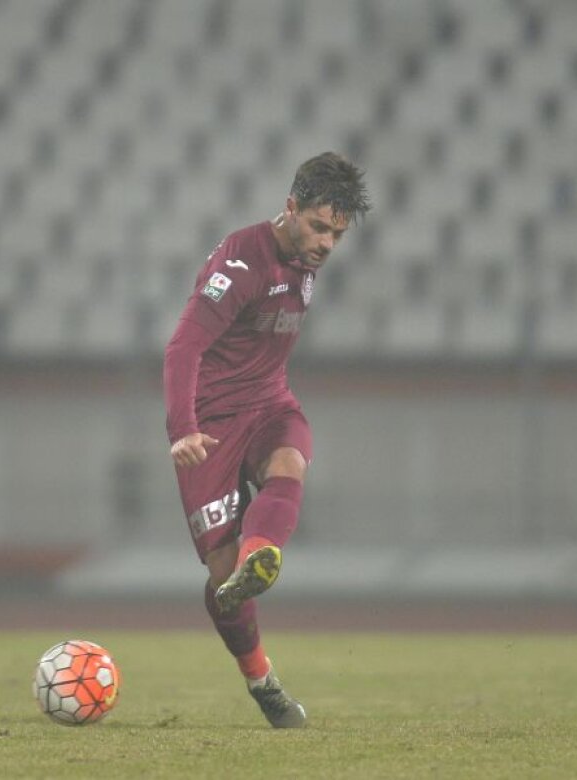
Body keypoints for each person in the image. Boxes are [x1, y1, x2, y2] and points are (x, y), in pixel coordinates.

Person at [163, 153, 370, 728]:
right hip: (209, 422)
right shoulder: (242, 261)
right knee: (223, 578)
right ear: (290, 208)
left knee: (290, 460)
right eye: (319, 227)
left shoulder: (304, 260)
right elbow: (183, 348)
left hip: (269, 401)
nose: (327, 244)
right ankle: (262, 680)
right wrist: (183, 430)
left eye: (338, 234)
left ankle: (261, 557)